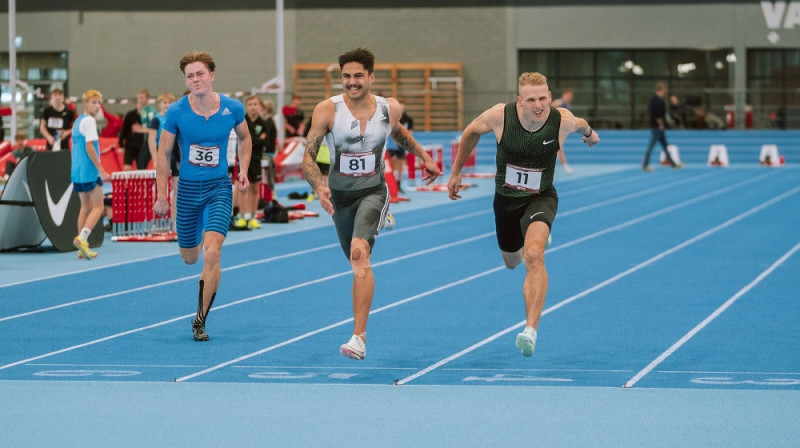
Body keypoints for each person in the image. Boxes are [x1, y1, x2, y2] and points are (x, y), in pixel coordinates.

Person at [301, 48, 442, 360]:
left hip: (373, 190)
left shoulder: (386, 108)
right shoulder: (327, 110)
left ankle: (359, 337)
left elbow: (399, 133)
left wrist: (425, 157)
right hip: (340, 196)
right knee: (355, 263)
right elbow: (308, 157)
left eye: (358, 76)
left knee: (359, 252)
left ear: (370, 77)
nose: (352, 82)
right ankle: (358, 332)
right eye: (346, 77)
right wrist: (318, 185)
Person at [447, 72, 599, 357]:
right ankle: (531, 239)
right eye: (531, 100)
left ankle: (530, 330)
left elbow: (582, 125)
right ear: (520, 101)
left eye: (543, 98)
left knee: (533, 255)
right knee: (512, 262)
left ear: (550, 97)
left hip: (540, 197)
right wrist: (456, 172)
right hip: (506, 201)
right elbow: (470, 132)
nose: (538, 105)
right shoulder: (499, 116)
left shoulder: (561, 119)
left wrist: (591, 136)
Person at [154, 51, 252, 342]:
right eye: (189, 76)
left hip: (219, 188)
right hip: (186, 191)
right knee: (190, 257)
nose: (195, 79)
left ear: (211, 75)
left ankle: (200, 319)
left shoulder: (232, 108)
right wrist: (162, 195)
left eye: (200, 74)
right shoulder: (176, 112)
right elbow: (163, 153)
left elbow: (245, 138)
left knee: (213, 252)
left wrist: (242, 169)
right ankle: (195, 238)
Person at [71, 90, 111, 260]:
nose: (97, 106)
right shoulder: (89, 121)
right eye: (94, 102)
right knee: (98, 207)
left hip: (77, 170)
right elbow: (89, 147)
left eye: (99, 103)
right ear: (85, 103)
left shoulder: (77, 121)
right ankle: (82, 237)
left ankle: (82, 249)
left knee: (85, 208)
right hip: (89, 171)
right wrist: (101, 169)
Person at [233, 95, 269, 229]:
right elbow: (245, 139)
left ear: (259, 107)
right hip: (243, 160)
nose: (253, 107)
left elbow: (266, 142)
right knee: (243, 188)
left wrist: (255, 140)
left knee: (255, 188)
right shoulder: (243, 121)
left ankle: (253, 216)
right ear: (246, 107)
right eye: (250, 105)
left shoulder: (263, 123)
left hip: (257, 159)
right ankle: (242, 216)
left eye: (255, 104)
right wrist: (256, 139)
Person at [147, 92, 179, 231]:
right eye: (164, 103)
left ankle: (175, 222)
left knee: (177, 188)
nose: (167, 105)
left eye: (169, 103)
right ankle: (157, 220)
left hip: (175, 152)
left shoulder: (175, 118)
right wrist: (155, 158)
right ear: (160, 104)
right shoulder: (156, 119)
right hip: (163, 152)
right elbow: (151, 140)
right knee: (161, 187)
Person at [643, 82, 681, 172]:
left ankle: (673, 163)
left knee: (665, 146)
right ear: (662, 89)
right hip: (658, 127)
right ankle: (645, 164)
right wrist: (661, 125)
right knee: (651, 146)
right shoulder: (659, 101)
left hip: (654, 126)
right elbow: (658, 114)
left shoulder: (652, 99)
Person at [119, 89, 152, 170]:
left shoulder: (150, 114)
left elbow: (153, 130)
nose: (140, 100)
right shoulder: (130, 115)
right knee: (127, 167)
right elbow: (124, 129)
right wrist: (121, 144)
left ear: (147, 99)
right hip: (130, 145)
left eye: (142, 98)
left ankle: (140, 182)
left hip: (142, 145)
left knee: (141, 169)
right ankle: (126, 183)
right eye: (139, 98)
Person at [385, 99, 413, 193]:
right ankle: (391, 184)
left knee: (400, 165)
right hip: (392, 145)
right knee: (392, 164)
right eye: (399, 106)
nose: (401, 108)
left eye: (402, 107)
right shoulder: (391, 118)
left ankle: (398, 184)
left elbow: (409, 133)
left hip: (401, 145)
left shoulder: (408, 119)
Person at [39, 87, 76, 151]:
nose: (57, 97)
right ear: (52, 97)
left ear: (63, 97)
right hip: (50, 145)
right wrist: (48, 137)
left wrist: (67, 132)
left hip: (64, 146)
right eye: (55, 95)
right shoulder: (47, 111)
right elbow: (42, 127)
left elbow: (77, 127)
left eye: (59, 95)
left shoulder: (69, 112)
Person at [551, 88, 575, 175]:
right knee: (559, 148)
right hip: (552, 128)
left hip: (559, 129)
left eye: (570, 97)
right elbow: (547, 112)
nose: (569, 98)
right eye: (568, 96)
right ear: (564, 95)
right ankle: (565, 167)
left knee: (558, 148)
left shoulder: (567, 106)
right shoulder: (558, 102)